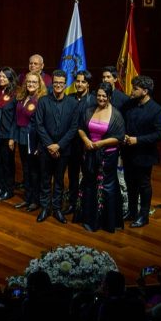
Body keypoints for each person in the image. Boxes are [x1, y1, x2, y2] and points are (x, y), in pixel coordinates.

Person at [76, 83, 126, 232]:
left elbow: (120, 137)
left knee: (106, 187)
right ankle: (89, 219)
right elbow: (80, 128)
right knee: (89, 184)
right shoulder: (89, 110)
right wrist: (86, 140)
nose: (101, 98)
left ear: (110, 97)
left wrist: (100, 144)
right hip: (90, 154)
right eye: (99, 95)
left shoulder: (116, 115)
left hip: (107, 156)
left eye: (104, 96)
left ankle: (107, 222)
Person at [34, 70, 79, 224]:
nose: (58, 85)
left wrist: (59, 145)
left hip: (64, 150)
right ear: (52, 84)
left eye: (61, 83)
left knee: (59, 180)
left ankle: (57, 208)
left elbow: (73, 128)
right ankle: (45, 208)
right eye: (56, 83)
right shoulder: (43, 101)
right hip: (46, 149)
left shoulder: (73, 103)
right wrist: (50, 145)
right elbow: (39, 125)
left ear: (65, 84)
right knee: (45, 179)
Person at [122, 75, 161, 228]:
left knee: (143, 185)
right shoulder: (130, 105)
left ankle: (143, 215)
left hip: (144, 154)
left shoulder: (157, 110)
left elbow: (160, 134)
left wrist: (137, 140)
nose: (132, 91)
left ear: (145, 91)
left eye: (135, 89)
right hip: (128, 153)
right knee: (130, 183)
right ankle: (132, 211)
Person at [11, 72, 47, 212]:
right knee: (26, 169)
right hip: (21, 138)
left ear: (39, 84)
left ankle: (35, 200)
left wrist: (39, 144)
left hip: (34, 140)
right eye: (29, 82)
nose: (31, 84)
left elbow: (41, 124)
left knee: (34, 171)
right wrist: (13, 138)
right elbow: (16, 119)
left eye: (34, 82)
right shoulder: (21, 97)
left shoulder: (41, 100)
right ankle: (27, 197)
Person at [66, 70, 94, 214]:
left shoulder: (93, 100)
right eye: (77, 81)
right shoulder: (69, 98)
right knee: (72, 175)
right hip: (71, 145)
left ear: (88, 84)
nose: (79, 84)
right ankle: (72, 203)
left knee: (88, 175)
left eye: (83, 81)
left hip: (86, 145)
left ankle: (86, 204)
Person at [0, 67, 17, 201]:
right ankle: (0, 187)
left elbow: (15, 118)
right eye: (0, 76)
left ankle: (9, 189)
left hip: (8, 134)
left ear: (10, 79)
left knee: (7, 163)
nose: (1, 79)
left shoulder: (14, 95)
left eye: (4, 77)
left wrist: (12, 138)